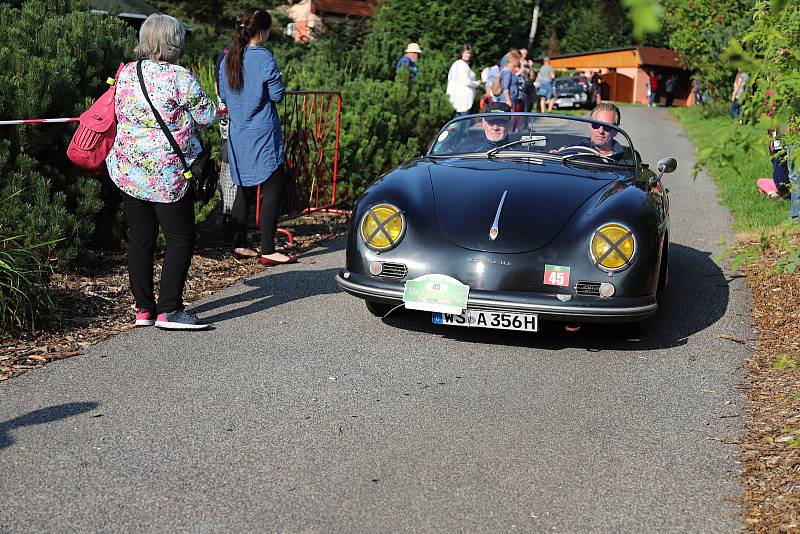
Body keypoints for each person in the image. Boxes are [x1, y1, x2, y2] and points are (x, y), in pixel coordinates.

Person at [106, 14, 217, 330]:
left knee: (140, 238)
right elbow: (206, 116)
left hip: (130, 170)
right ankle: (170, 310)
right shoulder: (180, 78)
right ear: (174, 42)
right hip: (168, 174)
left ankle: (143, 309)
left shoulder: (127, 73)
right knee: (181, 238)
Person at [219, 8, 296, 266]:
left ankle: (239, 243)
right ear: (262, 32)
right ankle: (268, 248)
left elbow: (225, 95)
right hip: (263, 134)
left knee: (245, 188)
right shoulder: (264, 58)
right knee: (273, 188)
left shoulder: (228, 59)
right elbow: (276, 95)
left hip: (238, 133)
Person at [446, 44, 480, 118]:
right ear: (461, 53)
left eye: (469, 53)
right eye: (466, 53)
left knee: (456, 123)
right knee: (464, 124)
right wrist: (477, 83)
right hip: (463, 100)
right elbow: (467, 81)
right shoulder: (462, 65)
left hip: (456, 99)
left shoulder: (456, 64)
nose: (468, 55)